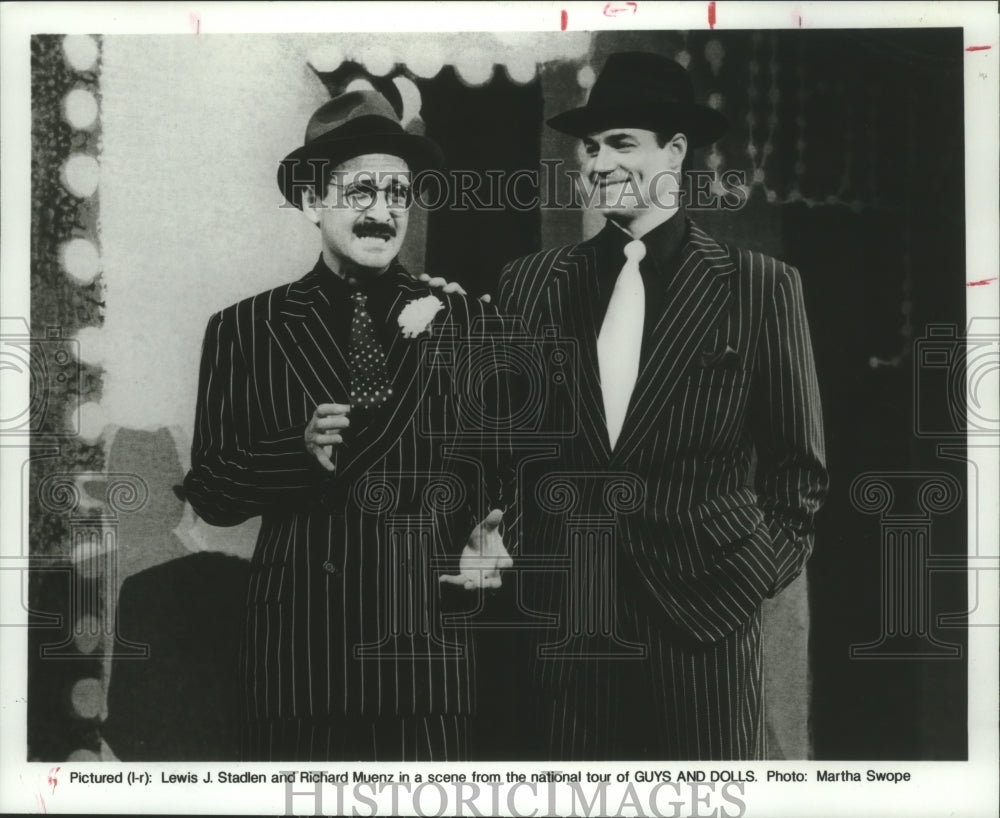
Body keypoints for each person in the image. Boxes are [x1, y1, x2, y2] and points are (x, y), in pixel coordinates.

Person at [497, 51, 829, 760]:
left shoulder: (759, 287)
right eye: (590, 148)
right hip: (574, 628)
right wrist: (542, 563)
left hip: (707, 632)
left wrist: (743, 581)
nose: (599, 163)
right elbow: (512, 450)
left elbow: (799, 474)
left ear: (675, 152)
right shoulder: (532, 284)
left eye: (621, 143)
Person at [182, 90, 514, 762]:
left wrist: (493, 538)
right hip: (299, 659)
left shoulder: (464, 321)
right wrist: (295, 452)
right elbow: (211, 489)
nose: (383, 213)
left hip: (422, 652)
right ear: (312, 202)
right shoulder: (246, 329)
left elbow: (508, 465)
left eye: (398, 194)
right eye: (361, 191)